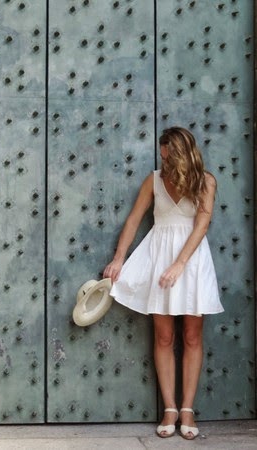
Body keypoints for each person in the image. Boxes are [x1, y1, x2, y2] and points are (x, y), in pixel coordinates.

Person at [103, 127, 223, 440]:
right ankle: (170, 407)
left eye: (165, 150)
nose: (162, 156)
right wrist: (118, 258)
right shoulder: (153, 180)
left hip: (191, 260)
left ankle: (187, 409)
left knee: (193, 336)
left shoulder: (206, 181)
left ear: (177, 150)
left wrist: (180, 263)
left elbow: (201, 225)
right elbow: (133, 220)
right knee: (165, 336)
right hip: (158, 258)